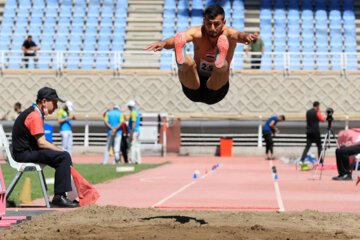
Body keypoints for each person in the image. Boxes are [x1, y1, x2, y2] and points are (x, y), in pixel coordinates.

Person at [144, 4, 257, 105]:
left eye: (216, 24)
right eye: (209, 24)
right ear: (204, 21)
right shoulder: (196, 32)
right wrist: (163, 43)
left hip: (216, 90)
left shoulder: (229, 34)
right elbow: (175, 40)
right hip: (194, 83)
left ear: (224, 22)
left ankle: (220, 61)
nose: (212, 28)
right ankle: (181, 59)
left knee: (222, 67)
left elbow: (239, 35)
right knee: (189, 64)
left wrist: (247, 37)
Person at [11, 87, 79, 208]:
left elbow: (40, 142)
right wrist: (61, 151)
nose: (57, 106)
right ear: (44, 102)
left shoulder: (34, 112)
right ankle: (59, 197)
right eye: (55, 102)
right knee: (63, 157)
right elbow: (42, 143)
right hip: (24, 153)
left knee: (63, 157)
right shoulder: (35, 115)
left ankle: (63, 196)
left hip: (24, 151)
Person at [300, 101, 325, 171]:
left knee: (307, 146)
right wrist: (319, 111)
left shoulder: (308, 112)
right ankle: (321, 161)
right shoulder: (317, 112)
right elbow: (322, 119)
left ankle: (302, 159)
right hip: (316, 131)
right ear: (317, 106)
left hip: (308, 131)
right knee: (319, 146)